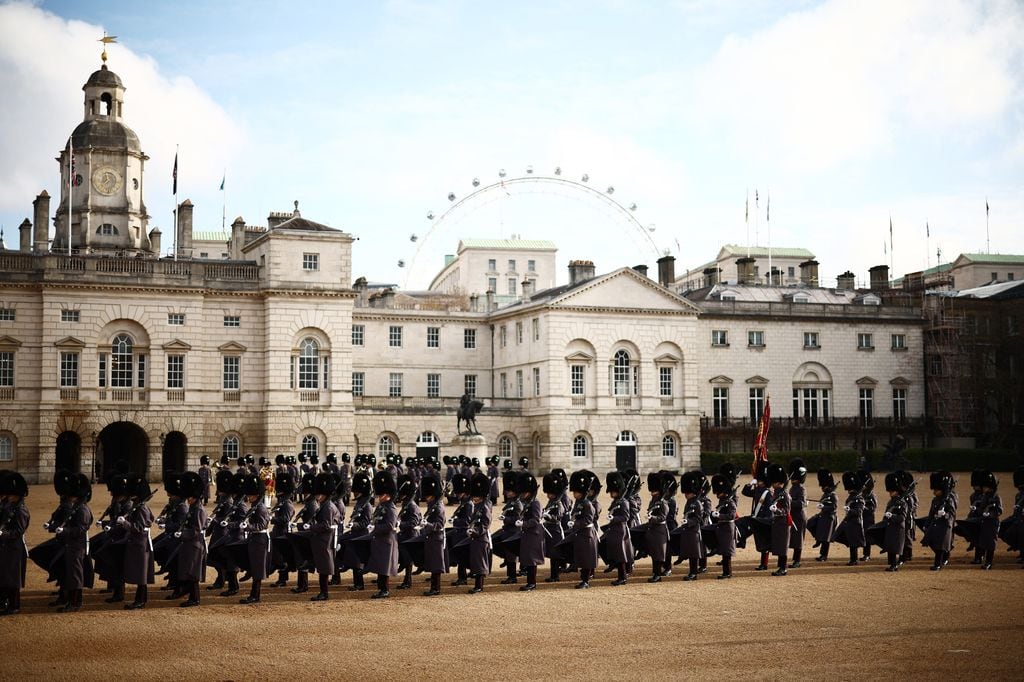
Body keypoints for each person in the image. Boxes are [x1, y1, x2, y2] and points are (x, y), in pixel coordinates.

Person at [54, 473, 93, 612]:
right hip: (71, 545)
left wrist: (64, 531)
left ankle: (75, 602)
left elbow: (81, 529)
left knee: (76, 574)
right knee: (71, 573)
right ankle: (71, 599)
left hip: (77, 546)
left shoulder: (82, 509)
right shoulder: (76, 507)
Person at [118, 474, 155, 610]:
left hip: (141, 544)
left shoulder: (141, 508)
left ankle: (140, 601)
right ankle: (140, 599)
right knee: (140, 575)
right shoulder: (138, 506)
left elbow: (139, 528)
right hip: (137, 543)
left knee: (141, 576)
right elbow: (151, 518)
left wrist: (125, 523)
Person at [306, 473, 341, 601]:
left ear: (324, 494)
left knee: (324, 567)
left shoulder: (328, 506)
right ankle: (323, 592)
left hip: (326, 540)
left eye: (318, 494)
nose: (317, 497)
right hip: (323, 539)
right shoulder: (325, 504)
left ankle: (324, 593)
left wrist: (311, 527)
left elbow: (326, 525)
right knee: (322, 566)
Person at [237, 474, 271, 604]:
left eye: (251, 495)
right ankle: (254, 594)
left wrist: (248, 526)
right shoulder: (254, 507)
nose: (248, 497)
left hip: (260, 540)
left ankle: (255, 596)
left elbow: (262, 525)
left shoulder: (261, 508)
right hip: (255, 539)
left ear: (256, 495)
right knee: (254, 567)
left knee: (257, 569)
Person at [176, 472, 208, 608]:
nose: (187, 499)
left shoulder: (199, 510)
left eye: (189, 497)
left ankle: (195, 599)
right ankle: (191, 596)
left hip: (195, 544)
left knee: (193, 572)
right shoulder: (193, 508)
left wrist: (182, 534)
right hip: (190, 543)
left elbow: (196, 529)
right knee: (188, 570)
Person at [366, 471, 400, 599]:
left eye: (382, 494)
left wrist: (375, 528)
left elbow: (390, 526)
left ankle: (384, 590)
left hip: (386, 540)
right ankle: (381, 588)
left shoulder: (390, 508)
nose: (380, 497)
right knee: (380, 566)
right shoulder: (382, 506)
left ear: (388, 495)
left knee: (384, 567)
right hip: (380, 539)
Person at [0, 471, 29, 616]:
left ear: (17, 494)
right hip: (6, 547)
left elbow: (18, 531)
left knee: (12, 578)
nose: (9, 497)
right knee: (4, 575)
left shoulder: (21, 510)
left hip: (15, 548)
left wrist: (3, 534)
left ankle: (14, 605)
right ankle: (5, 602)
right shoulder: (9, 506)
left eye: (11, 494)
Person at [341, 471, 372, 591]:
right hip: (355, 534)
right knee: (353, 559)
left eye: (356, 490)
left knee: (357, 561)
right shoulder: (360, 502)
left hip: (361, 535)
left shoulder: (367, 505)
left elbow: (366, 523)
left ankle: (359, 584)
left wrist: (354, 524)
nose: (354, 492)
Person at [568, 470, 598, 589]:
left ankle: (585, 581)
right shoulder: (578, 502)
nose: (574, 494)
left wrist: (575, 523)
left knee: (586, 558)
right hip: (580, 533)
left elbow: (588, 520)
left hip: (587, 534)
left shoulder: (588, 504)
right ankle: (583, 579)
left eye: (576, 492)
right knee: (581, 557)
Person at [516, 471, 545, 592]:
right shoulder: (528, 502)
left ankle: (532, 583)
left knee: (532, 560)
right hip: (527, 533)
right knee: (527, 559)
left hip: (534, 534)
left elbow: (536, 520)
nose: (522, 495)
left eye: (525, 492)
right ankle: (529, 582)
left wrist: (524, 524)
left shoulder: (535, 503)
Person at [922, 471, 957, 571]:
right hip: (935, 524)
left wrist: (945, 514)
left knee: (939, 546)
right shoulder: (936, 500)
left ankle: (938, 564)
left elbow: (952, 514)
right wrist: (927, 523)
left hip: (945, 526)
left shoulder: (949, 500)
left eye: (936, 490)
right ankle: (945, 554)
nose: (934, 492)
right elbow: (931, 513)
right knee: (931, 541)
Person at [420, 475, 448, 596]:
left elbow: (440, 524)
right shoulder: (432, 505)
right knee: (432, 562)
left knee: (436, 564)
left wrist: (428, 524)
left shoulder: (438, 506)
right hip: (431, 537)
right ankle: (433, 586)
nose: (426, 498)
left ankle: (436, 588)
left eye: (428, 495)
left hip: (437, 538)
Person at [741, 463, 772, 571]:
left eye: (760, 481)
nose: (758, 482)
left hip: (763, 519)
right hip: (756, 518)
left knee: (764, 542)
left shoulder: (768, 493)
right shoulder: (758, 490)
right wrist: (750, 483)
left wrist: (764, 519)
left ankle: (764, 564)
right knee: (759, 541)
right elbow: (745, 492)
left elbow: (768, 509)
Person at [602, 472, 631, 586]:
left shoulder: (624, 502)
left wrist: (613, 518)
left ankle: (622, 577)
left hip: (620, 531)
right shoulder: (616, 501)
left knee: (620, 555)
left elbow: (625, 517)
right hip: (614, 531)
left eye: (612, 491)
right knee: (616, 554)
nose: (611, 493)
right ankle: (621, 576)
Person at [675, 471, 705, 581]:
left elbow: (698, 518)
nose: (685, 494)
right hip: (688, 530)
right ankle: (692, 572)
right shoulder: (689, 501)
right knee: (690, 552)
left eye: (687, 493)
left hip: (694, 531)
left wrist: (688, 522)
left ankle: (693, 573)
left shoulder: (697, 503)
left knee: (693, 554)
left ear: (692, 492)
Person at [466, 473, 493, 594]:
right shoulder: (477, 506)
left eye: (477, 496)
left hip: (481, 538)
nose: (474, 498)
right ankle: (477, 584)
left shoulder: (485, 507)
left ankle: (479, 586)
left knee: (480, 563)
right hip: (475, 537)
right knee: (476, 562)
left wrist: (475, 532)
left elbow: (485, 525)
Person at [833, 471, 866, 566]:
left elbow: (859, 511)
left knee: (853, 543)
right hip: (849, 522)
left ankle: (854, 560)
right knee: (851, 542)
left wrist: (850, 510)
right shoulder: (852, 497)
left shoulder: (859, 499)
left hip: (855, 522)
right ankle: (853, 559)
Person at [269, 472, 296, 588]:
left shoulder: (287, 504)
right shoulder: (282, 502)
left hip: (283, 532)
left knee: (281, 557)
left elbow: (285, 519)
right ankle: (282, 578)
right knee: (278, 555)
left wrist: (272, 519)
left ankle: (282, 579)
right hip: (278, 531)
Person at [495, 470, 522, 585]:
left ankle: (512, 577)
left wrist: (505, 519)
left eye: (509, 491)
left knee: (511, 555)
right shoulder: (511, 501)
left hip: (514, 531)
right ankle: (509, 571)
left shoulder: (517, 503)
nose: (507, 492)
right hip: (507, 530)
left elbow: (517, 518)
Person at [395, 474, 421, 590]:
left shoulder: (412, 505)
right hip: (405, 534)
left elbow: (414, 522)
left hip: (410, 535)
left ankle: (408, 580)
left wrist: (400, 524)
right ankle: (405, 575)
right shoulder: (406, 504)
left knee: (408, 560)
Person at [448, 473, 473, 586]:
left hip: (463, 533)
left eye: (459, 492)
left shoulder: (468, 504)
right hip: (459, 533)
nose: (457, 494)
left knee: (462, 557)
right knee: (459, 557)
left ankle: (462, 578)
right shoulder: (464, 502)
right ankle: (462, 577)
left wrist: (455, 521)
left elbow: (467, 521)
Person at [645, 472, 670, 583]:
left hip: (660, 531)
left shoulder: (663, 502)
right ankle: (655, 573)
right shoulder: (655, 500)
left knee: (658, 554)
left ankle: (658, 575)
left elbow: (662, 517)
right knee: (654, 554)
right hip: (653, 530)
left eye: (654, 491)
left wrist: (653, 517)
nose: (652, 493)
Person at [541, 472, 567, 583]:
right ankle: (553, 574)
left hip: (555, 530)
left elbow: (558, 517)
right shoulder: (551, 502)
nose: (548, 495)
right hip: (549, 529)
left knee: (555, 554)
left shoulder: (558, 503)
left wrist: (548, 516)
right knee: (552, 554)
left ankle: (555, 575)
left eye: (550, 493)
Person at [766, 463, 791, 576]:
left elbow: (786, 510)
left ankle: (783, 568)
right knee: (779, 546)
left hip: (783, 523)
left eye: (774, 482)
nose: (772, 484)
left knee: (782, 546)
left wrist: (776, 510)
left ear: (779, 482)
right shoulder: (777, 493)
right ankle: (780, 567)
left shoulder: (784, 494)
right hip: (776, 522)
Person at [711, 473, 737, 579]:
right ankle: (726, 572)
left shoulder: (730, 502)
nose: (718, 494)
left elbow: (732, 515)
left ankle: (727, 572)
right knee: (724, 551)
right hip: (722, 528)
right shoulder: (722, 501)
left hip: (728, 529)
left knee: (727, 552)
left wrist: (720, 515)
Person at [880, 472, 908, 572]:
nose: (890, 493)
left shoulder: (902, 502)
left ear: (897, 491)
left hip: (898, 527)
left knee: (895, 548)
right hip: (890, 527)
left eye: (892, 491)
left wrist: (892, 516)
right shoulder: (891, 502)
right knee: (890, 546)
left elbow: (902, 517)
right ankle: (892, 564)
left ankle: (894, 565)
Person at [976, 470, 1002, 570]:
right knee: (984, 542)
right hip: (985, 522)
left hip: (992, 522)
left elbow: (999, 510)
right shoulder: (985, 496)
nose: (984, 488)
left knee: (990, 543)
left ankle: (989, 562)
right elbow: (982, 508)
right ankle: (985, 560)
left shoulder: (996, 497)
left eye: (986, 486)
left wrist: (990, 514)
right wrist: (978, 510)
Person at [811, 470, 838, 562]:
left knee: (826, 539)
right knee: (810, 523)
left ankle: (823, 555)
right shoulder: (826, 494)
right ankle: (818, 539)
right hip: (823, 517)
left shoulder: (833, 495)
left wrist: (824, 506)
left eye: (824, 486)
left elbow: (834, 507)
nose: (822, 488)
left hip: (829, 518)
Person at [788, 459, 808, 568]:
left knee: (798, 540)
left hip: (799, 517)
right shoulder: (793, 488)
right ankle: (795, 559)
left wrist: (789, 501)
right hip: (794, 516)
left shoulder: (801, 489)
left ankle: (797, 560)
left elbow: (801, 503)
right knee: (794, 539)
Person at [860, 470, 877, 562]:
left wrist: (863, 508)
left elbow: (873, 508)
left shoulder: (871, 495)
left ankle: (867, 555)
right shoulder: (862, 494)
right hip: (861, 517)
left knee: (867, 537)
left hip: (868, 518)